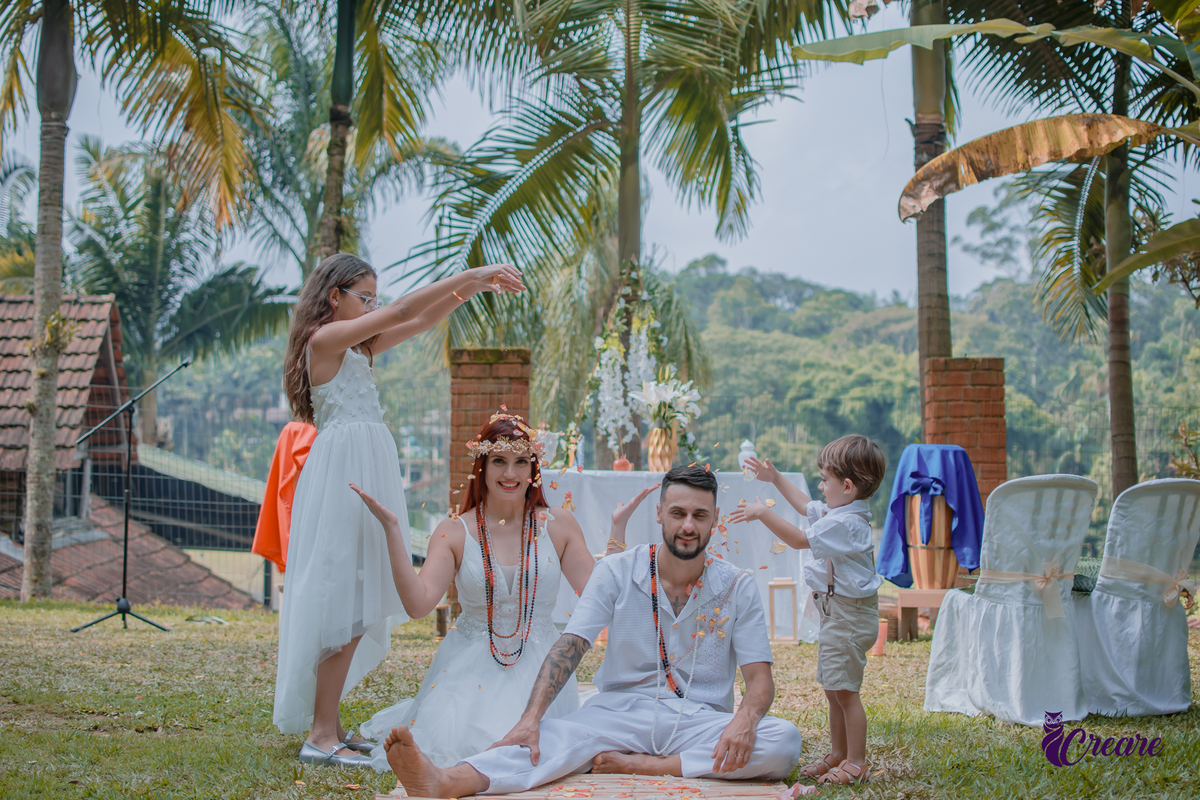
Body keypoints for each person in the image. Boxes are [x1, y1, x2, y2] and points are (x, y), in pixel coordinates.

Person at [379, 465, 803, 797]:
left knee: (782, 741)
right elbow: (571, 645)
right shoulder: (620, 571)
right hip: (618, 714)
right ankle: (445, 782)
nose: (688, 526)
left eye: (699, 515)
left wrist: (745, 719)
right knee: (543, 742)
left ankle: (651, 765)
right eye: (678, 513)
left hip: (700, 721)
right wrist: (532, 718)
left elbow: (759, 681)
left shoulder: (735, 585)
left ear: (715, 520)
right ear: (659, 515)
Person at [273, 254, 525, 765]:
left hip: (365, 466)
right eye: (364, 298)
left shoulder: (357, 348)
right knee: (341, 594)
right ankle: (320, 736)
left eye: (373, 298)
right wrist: (473, 274)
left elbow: (419, 318)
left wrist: (472, 293)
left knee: (358, 594)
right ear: (333, 296)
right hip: (344, 472)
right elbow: (405, 307)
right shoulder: (323, 342)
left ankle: (331, 726)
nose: (373, 306)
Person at [349, 411, 651, 770]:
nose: (511, 474)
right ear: (482, 466)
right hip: (467, 674)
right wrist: (393, 531)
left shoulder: (558, 526)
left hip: (542, 673)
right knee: (468, 750)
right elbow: (417, 604)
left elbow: (602, 596)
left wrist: (617, 532)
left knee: (538, 753)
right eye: (499, 462)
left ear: (533, 468)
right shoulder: (453, 531)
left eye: (521, 462)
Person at [729, 435, 887, 786]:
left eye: (824, 480)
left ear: (846, 486)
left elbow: (801, 539)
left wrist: (764, 513)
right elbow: (806, 507)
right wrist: (776, 479)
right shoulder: (840, 511)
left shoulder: (847, 523)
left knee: (845, 691)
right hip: (838, 613)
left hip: (849, 615)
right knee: (834, 687)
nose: (819, 486)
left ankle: (856, 762)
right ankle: (838, 753)